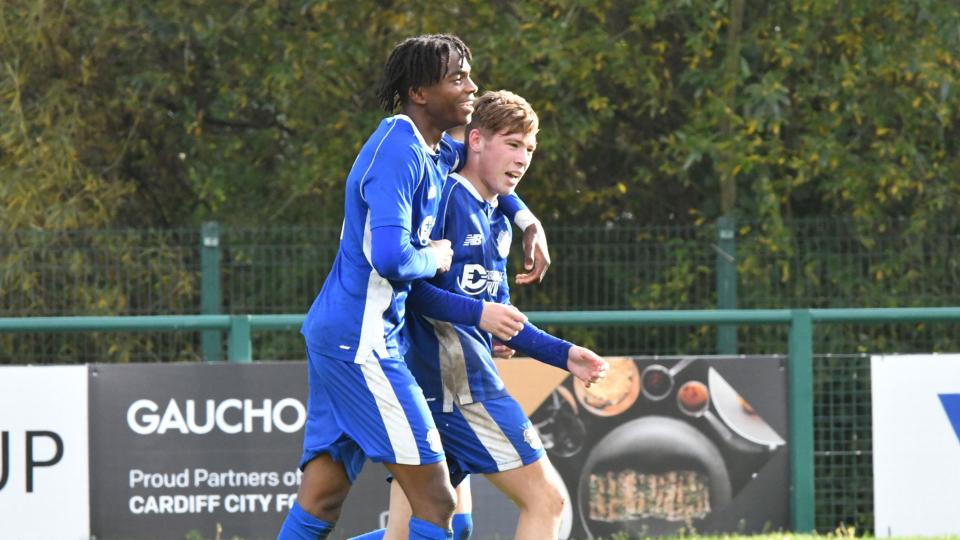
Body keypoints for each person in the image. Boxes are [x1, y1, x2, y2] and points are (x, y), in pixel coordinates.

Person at [278, 35, 552, 540]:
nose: (471, 87)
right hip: (360, 341)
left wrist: (526, 218)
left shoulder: (433, 148)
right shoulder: (397, 152)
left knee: (324, 495)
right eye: (457, 78)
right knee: (437, 503)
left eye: (468, 75)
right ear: (420, 92)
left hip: (350, 334)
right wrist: (435, 255)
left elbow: (486, 170)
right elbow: (390, 257)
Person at [359, 90, 609, 540]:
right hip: (458, 388)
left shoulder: (497, 218)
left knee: (433, 530)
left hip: (437, 389)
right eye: (512, 144)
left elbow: (502, 317)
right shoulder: (445, 199)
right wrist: (479, 315)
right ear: (476, 140)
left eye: (529, 149)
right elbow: (413, 292)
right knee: (546, 500)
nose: (523, 158)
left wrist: (564, 355)